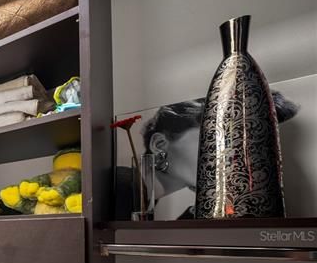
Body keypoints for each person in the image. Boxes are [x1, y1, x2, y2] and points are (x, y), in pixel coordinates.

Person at [116, 93, 299, 220]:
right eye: (210, 141)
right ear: (159, 144)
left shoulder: (146, 197)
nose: (226, 156)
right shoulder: (122, 187)